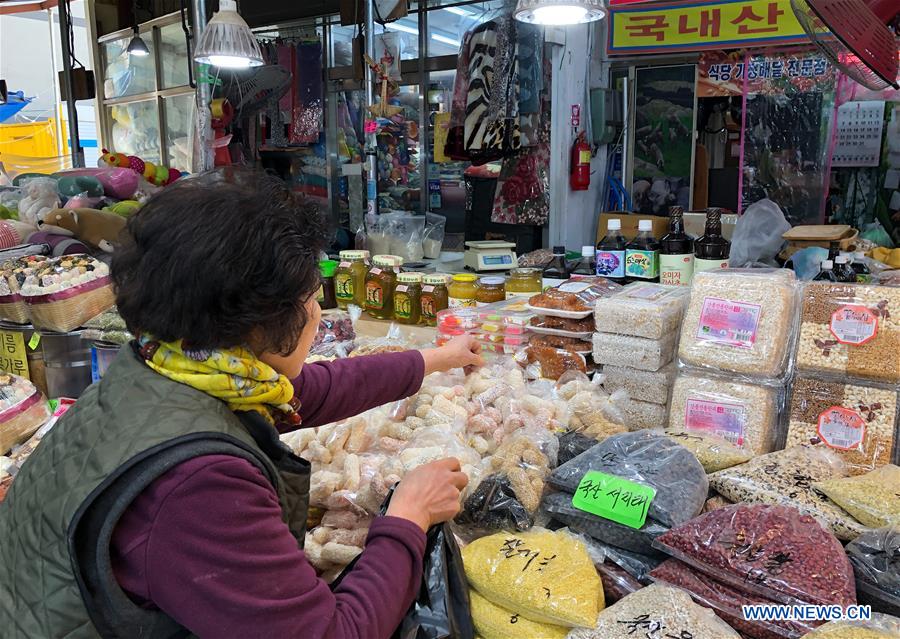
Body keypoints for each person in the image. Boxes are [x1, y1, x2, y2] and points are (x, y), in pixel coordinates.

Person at [0, 169, 484, 638]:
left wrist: (436, 359)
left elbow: (314, 390)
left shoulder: (167, 365)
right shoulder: (199, 482)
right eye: (311, 297)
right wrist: (407, 517)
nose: (317, 311)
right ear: (256, 320)